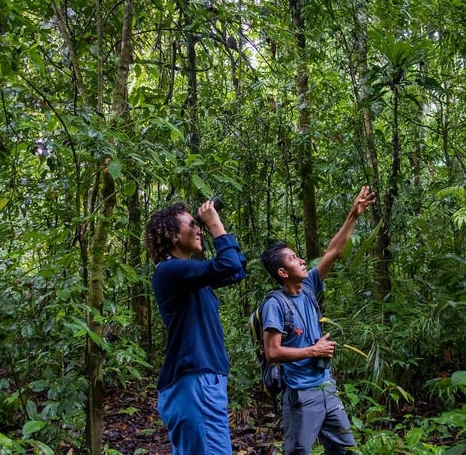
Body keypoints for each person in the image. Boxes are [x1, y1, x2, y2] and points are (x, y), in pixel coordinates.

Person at [260, 186, 376, 455]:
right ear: (282, 272)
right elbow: (272, 352)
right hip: (301, 395)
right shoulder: (275, 305)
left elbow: (334, 251)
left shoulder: (309, 286)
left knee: (347, 450)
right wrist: (313, 350)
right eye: (293, 259)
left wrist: (353, 214)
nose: (301, 261)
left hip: (327, 388)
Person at [145, 200, 246, 454]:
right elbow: (229, 265)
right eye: (192, 225)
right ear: (174, 235)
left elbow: (237, 269)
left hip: (199, 380)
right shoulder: (169, 271)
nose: (199, 229)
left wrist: (214, 227)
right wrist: (213, 223)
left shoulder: (188, 277)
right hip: (195, 382)